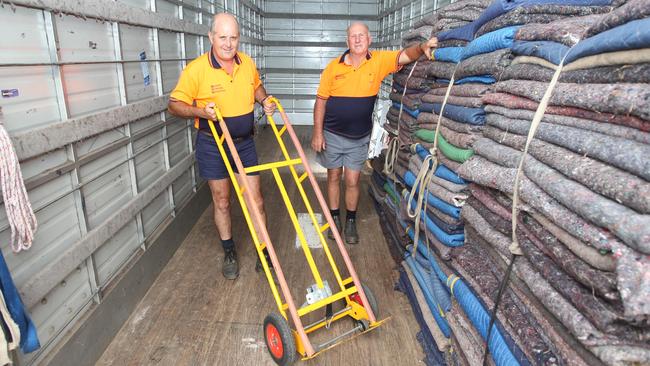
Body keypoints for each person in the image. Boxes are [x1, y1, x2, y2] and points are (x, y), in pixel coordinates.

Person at [168, 13, 275, 280]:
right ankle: (229, 250)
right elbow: (174, 105)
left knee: (255, 199)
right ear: (211, 37)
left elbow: (257, 86)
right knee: (223, 200)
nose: (228, 43)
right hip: (212, 143)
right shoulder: (196, 70)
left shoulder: (247, 63)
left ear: (239, 38)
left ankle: (264, 250)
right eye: (223, 37)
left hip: (244, 143)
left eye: (233, 37)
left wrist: (264, 100)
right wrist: (201, 112)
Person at [312, 22, 437, 244]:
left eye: (361, 36)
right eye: (353, 36)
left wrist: (422, 47)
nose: (357, 40)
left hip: (359, 137)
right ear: (347, 41)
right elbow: (320, 102)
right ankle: (333, 219)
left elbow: (404, 56)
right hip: (331, 134)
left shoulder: (378, 61)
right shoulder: (333, 67)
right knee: (333, 176)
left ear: (369, 40)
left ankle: (350, 220)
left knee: (352, 179)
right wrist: (317, 133)